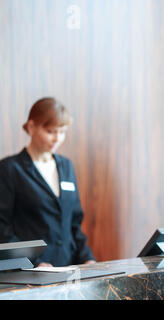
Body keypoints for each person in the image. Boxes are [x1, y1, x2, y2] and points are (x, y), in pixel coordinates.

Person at [0, 97, 96, 267]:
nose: (57, 139)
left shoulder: (66, 166)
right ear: (31, 127)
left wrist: (87, 259)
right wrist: (35, 263)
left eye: (62, 132)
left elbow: (74, 223)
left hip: (68, 269)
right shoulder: (10, 169)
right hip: (30, 274)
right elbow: (2, 229)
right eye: (51, 131)